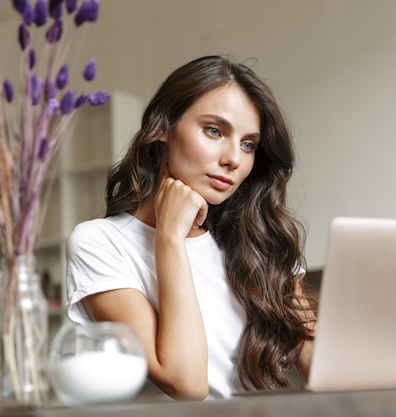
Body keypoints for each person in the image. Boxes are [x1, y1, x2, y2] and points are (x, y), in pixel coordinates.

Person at [65, 55, 316, 401]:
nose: (234, 159)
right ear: (163, 127)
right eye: (214, 131)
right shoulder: (101, 244)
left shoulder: (260, 242)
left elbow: (321, 367)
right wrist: (169, 237)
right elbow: (186, 383)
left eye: (248, 145)